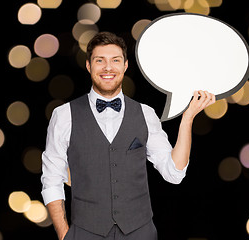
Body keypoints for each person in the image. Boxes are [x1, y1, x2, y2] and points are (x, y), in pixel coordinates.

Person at [41, 31, 215, 240]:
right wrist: (64, 235)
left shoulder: (146, 114)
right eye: (100, 60)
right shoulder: (63, 115)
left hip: (140, 232)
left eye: (115, 60)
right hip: (85, 232)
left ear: (125, 66)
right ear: (89, 66)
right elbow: (51, 180)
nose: (108, 67)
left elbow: (174, 173)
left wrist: (187, 119)